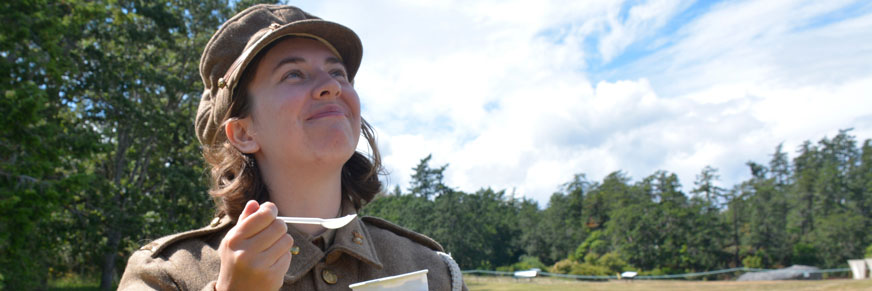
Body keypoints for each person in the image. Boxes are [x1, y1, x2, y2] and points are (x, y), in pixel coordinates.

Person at [119, 4, 466, 291]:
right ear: (243, 132)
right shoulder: (166, 275)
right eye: (294, 75)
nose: (330, 86)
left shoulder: (431, 269)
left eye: (338, 73)